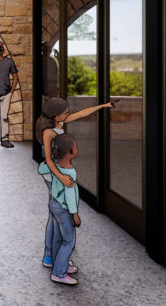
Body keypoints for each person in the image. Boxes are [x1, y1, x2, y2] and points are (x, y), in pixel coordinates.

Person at [35, 96, 114, 269]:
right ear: (55, 115)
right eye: (65, 113)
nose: (68, 114)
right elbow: (48, 160)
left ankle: (53, 254)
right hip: (54, 175)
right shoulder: (48, 132)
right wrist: (61, 178)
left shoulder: (59, 123)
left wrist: (103, 106)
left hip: (60, 172)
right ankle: (51, 255)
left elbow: (81, 114)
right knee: (56, 214)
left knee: (55, 214)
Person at [38, 133, 81, 285]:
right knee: (68, 241)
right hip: (64, 210)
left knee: (57, 237)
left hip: (54, 205)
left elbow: (41, 170)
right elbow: (70, 197)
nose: (77, 148)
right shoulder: (70, 172)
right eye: (75, 146)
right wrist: (75, 214)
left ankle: (58, 264)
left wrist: (48, 161)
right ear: (70, 152)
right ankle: (59, 273)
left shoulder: (54, 165)